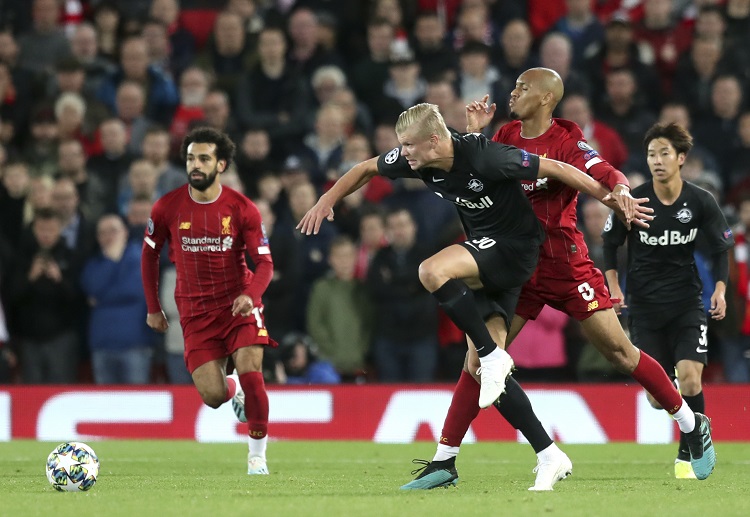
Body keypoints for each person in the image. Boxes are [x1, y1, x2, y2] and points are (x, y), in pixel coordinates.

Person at [405, 67, 716, 491]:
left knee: (622, 355)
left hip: (565, 263)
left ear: (547, 98)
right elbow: (477, 171)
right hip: (516, 265)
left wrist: (622, 189)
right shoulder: (506, 136)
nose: (512, 93)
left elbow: (604, 171)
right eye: (514, 85)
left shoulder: (568, 141)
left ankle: (690, 422)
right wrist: (474, 134)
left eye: (522, 87)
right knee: (480, 361)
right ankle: (445, 459)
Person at [298, 102, 642, 426]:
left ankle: (493, 356)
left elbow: (558, 167)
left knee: (432, 271)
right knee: (479, 367)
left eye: (407, 145)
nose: (401, 153)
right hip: (486, 251)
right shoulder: (418, 158)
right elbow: (365, 167)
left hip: (516, 248)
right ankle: (512, 452)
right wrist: (326, 199)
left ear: (432, 141)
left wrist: (609, 197)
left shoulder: (487, 156)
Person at [141, 127, 275, 475]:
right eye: (190, 158)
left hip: (238, 305)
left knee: (251, 372)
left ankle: (256, 456)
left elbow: (264, 263)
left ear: (221, 164)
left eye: (203, 158)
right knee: (214, 396)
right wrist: (153, 307)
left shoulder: (242, 208)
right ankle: (234, 391)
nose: (195, 165)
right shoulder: (166, 207)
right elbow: (149, 257)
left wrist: (251, 296)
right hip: (195, 312)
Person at [603, 122, 732, 479]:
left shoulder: (701, 201)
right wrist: (614, 286)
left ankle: (689, 455)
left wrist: (719, 290)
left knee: (690, 380)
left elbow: (722, 246)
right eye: (650, 154)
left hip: (687, 304)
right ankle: (691, 428)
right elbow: (610, 245)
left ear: (681, 158)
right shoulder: (634, 200)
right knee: (657, 398)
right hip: (643, 308)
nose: (656, 161)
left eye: (663, 154)